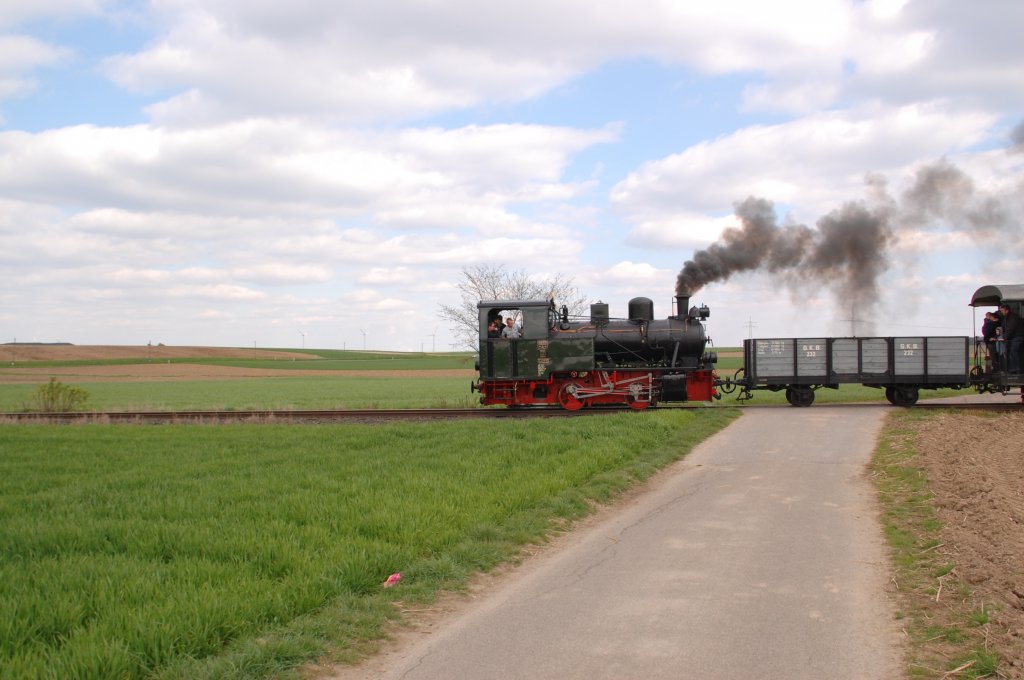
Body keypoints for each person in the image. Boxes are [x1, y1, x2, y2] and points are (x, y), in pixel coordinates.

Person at [1000, 304, 1022, 373]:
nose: (1001, 312)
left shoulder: (1013, 317)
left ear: (1007, 310)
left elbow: (1010, 329)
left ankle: (1017, 369)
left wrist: (1004, 337)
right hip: (1013, 337)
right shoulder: (1007, 318)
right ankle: (1013, 369)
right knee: (1010, 352)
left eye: (1002, 310)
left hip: (1018, 337)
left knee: (1013, 351)